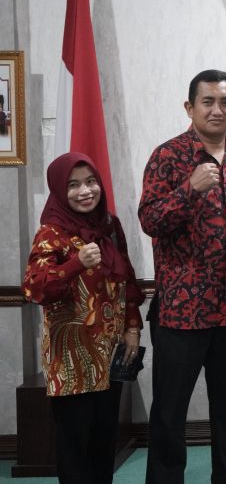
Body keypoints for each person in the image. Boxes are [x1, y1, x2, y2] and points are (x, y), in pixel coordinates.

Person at [139, 69, 226, 484]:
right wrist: (188, 190)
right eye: (207, 102)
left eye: (225, 102)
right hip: (182, 310)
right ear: (190, 107)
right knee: (169, 411)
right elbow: (150, 220)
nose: (217, 110)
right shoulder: (168, 156)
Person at [22, 152, 143, 484]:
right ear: (60, 191)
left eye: (91, 182)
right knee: (75, 444)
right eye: (73, 185)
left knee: (104, 441)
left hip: (111, 353)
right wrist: (75, 263)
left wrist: (133, 327)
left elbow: (128, 281)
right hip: (72, 361)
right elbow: (34, 288)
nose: (85, 191)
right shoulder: (51, 233)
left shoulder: (110, 226)